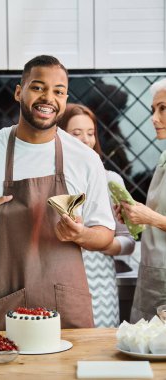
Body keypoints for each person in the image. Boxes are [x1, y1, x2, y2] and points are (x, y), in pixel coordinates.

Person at [0, 55, 115, 331]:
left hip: (65, 306)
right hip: (2, 302)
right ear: (20, 91)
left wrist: (82, 235)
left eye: (58, 91)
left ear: (65, 99)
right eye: (38, 87)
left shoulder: (85, 159)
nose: (48, 98)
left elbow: (105, 232)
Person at [58, 103, 135, 327]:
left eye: (90, 133)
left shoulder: (110, 180)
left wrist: (101, 243)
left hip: (101, 288)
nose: (86, 140)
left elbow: (129, 240)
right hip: (58, 283)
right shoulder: (48, 181)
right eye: (76, 133)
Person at [115, 78, 166, 323]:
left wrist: (150, 217)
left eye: (163, 108)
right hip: (154, 274)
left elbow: (157, 219)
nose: (154, 118)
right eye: (153, 110)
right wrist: (132, 216)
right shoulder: (164, 157)